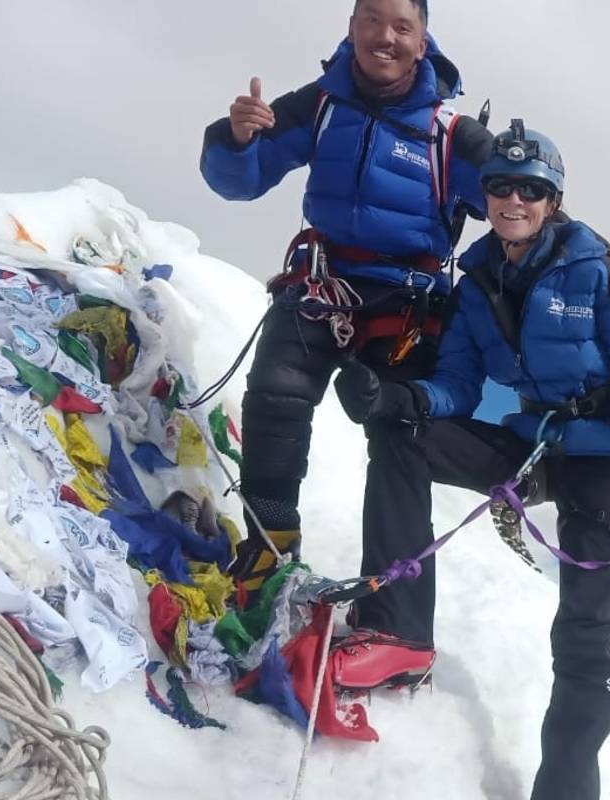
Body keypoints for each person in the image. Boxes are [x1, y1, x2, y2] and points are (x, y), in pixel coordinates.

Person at [333, 119, 610, 799]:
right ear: (488, 194)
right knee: (400, 442)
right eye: (502, 186)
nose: (515, 200)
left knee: (582, 631)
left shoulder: (603, 272)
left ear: (553, 199)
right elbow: (457, 382)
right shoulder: (476, 283)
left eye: (531, 189)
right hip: (539, 444)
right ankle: (398, 630)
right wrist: (399, 400)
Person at [197, 0, 493, 613]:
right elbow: (241, 181)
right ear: (352, 25)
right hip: (324, 278)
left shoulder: (452, 134)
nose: (385, 37)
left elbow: (523, 204)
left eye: (402, 26)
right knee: (276, 397)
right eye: (371, 20)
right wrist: (237, 139)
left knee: (401, 434)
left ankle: (391, 615)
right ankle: (268, 546)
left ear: (423, 38)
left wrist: (579, 251)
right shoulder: (320, 104)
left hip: (407, 300)